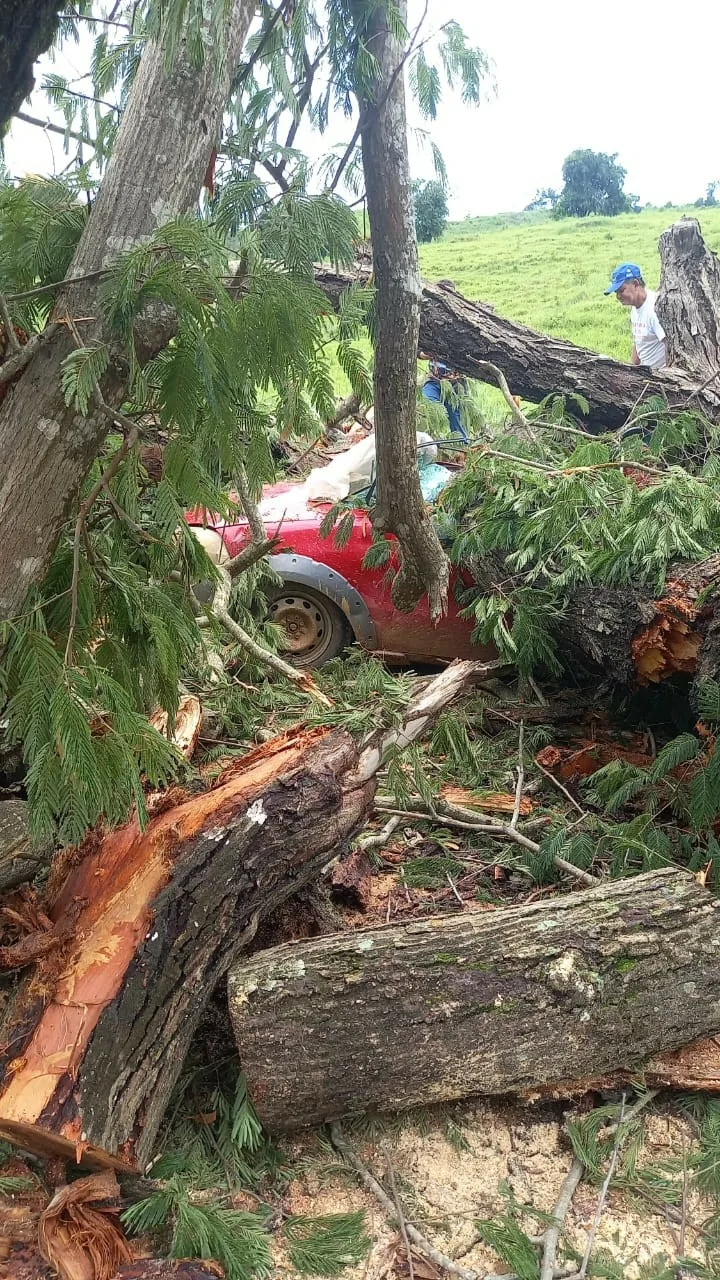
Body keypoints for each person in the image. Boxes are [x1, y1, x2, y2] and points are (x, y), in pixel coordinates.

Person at [604, 262, 667, 369]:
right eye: (616, 292)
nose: (618, 296)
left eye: (621, 290)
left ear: (636, 283)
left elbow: (669, 345)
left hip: (659, 377)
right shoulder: (635, 307)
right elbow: (638, 342)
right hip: (644, 372)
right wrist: (631, 369)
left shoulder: (654, 309)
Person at [421, 358, 469, 441]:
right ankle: (428, 441)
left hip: (455, 384)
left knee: (455, 415)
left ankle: (461, 444)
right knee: (427, 408)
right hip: (433, 380)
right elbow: (419, 351)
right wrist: (422, 354)